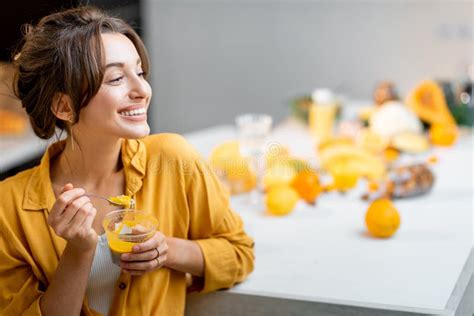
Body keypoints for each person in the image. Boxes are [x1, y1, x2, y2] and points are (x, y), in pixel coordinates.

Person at [0, 6, 254, 316]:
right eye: (117, 78)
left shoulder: (174, 159)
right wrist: (79, 253)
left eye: (140, 73)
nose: (143, 90)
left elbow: (239, 254)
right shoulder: (7, 208)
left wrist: (169, 250)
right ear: (64, 106)